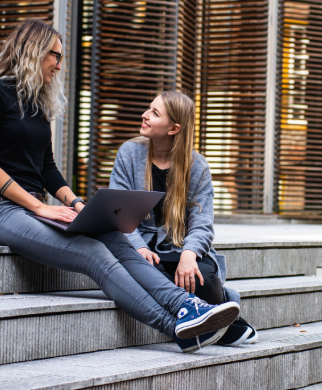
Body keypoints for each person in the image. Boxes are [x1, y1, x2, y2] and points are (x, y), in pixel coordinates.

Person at [0, 18, 239, 353]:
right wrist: (39, 206)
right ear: (33, 51)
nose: (59, 63)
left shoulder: (37, 105)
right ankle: (175, 327)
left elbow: (49, 170)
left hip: (36, 211)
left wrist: (79, 205)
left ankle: (186, 305)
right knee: (94, 253)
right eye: (55, 55)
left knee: (112, 235)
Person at [109, 90, 258, 346]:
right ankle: (226, 325)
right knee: (145, 272)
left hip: (180, 248)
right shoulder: (129, 153)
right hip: (142, 247)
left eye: (155, 113)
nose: (145, 115)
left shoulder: (196, 165)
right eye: (149, 107)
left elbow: (202, 222)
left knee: (203, 277)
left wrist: (190, 254)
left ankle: (216, 306)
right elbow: (118, 210)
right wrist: (139, 246)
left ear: (173, 128)